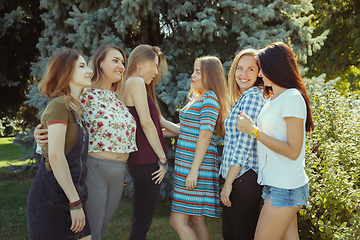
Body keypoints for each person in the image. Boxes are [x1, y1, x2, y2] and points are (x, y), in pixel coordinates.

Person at [34, 45, 138, 240]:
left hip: (118, 171)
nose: (121, 66)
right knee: (91, 233)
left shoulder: (119, 97)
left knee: (96, 231)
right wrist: (39, 134)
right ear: (100, 63)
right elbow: (55, 115)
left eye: (123, 62)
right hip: (94, 169)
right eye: (115, 60)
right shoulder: (84, 94)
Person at [236, 42, 314, 240]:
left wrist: (253, 131)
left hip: (286, 186)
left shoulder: (292, 97)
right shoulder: (273, 99)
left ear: (275, 67)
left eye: (262, 68)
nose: (260, 74)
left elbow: (293, 150)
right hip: (274, 184)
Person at [27, 48, 92, 240]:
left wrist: (76, 201)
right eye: (82, 66)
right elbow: (55, 156)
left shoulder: (76, 108)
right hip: (51, 200)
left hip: (73, 195)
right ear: (66, 72)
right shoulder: (59, 105)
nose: (89, 70)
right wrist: (75, 204)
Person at [169, 56, 230, 240]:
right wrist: (161, 123)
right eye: (194, 70)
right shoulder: (199, 98)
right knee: (196, 220)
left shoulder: (210, 100)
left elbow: (205, 134)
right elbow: (186, 130)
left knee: (177, 220)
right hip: (188, 166)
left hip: (195, 166)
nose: (193, 75)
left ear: (210, 76)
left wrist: (193, 170)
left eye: (198, 72)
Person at [123, 44, 172, 240]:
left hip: (142, 162)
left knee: (141, 221)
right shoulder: (135, 82)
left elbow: (158, 123)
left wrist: (188, 131)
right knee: (141, 223)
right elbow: (146, 124)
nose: (156, 71)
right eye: (154, 65)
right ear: (140, 63)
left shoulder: (136, 85)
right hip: (147, 162)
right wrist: (162, 159)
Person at [219, 48, 265, 240]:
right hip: (236, 177)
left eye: (250, 69)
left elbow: (244, 145)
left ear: (259, 73)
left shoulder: (253, 97)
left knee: (241, 235)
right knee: (231, 234)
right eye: (239, 68)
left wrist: (228, 182)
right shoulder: (243, 99)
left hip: (242, 178)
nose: (243, 74)